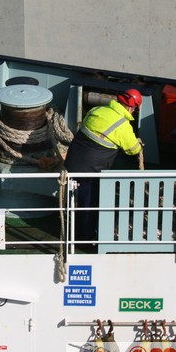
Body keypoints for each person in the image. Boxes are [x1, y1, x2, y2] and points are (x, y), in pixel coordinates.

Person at [63, 89, 144, 244]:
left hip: (73, 160)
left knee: (77, 198)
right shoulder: (123, 126)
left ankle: (76, 229)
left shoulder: (98, 109)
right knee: (90, 204)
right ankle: (84, 240)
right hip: (90, 170)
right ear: (131, 108)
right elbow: (133, 149)